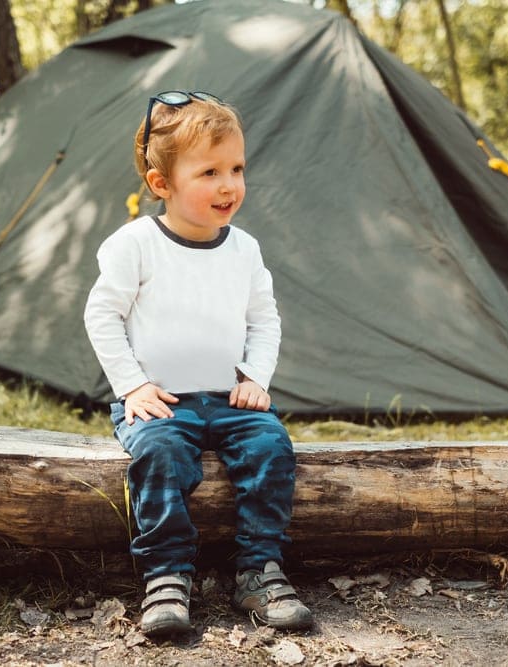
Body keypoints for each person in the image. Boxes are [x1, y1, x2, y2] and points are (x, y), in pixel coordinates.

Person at [84, 91, 312, 638]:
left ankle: (259, 569)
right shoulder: (135, 244)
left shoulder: (245, 249)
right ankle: (165, 576)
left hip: (230, 400)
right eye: (209, 171)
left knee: (271, 448)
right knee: (160, 455)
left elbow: (265, 319)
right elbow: (102, 316)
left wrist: (256, 377)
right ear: (162, 184)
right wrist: (133, 386)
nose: (229, 184)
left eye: (236, 168)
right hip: (160, 401)